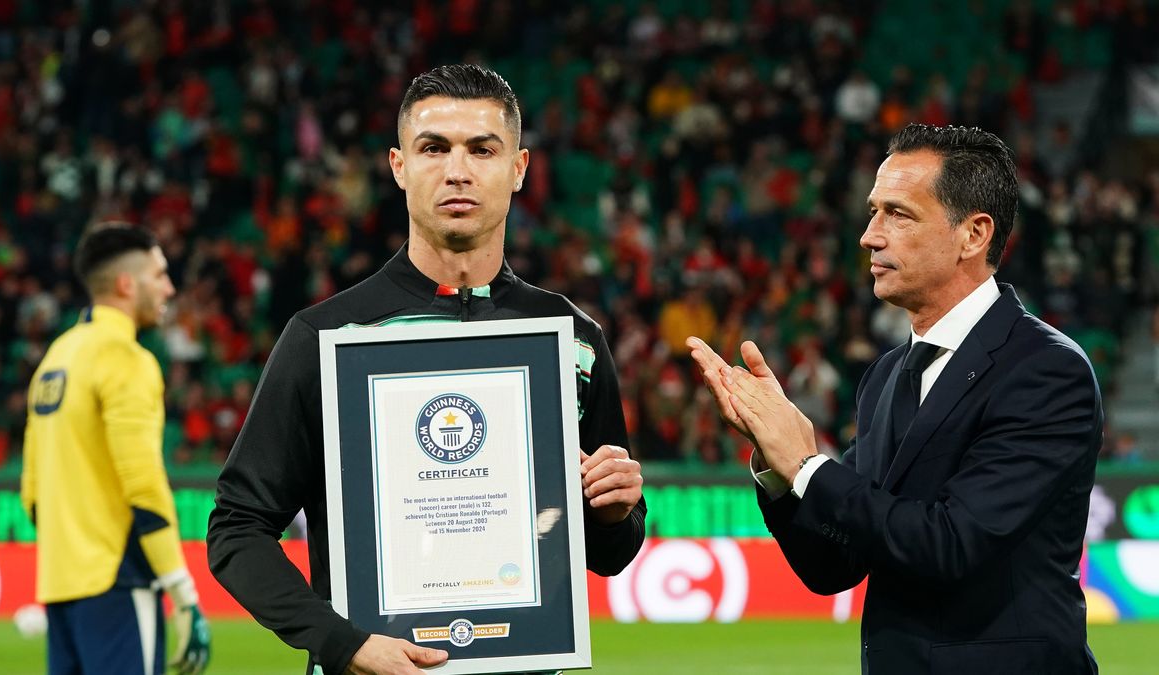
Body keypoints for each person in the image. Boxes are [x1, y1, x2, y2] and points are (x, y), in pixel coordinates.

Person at [207, 64, 646, 675]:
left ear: (518, 169)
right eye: (433, 148)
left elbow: (609, 554)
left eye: (482, 150)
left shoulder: (570, 341)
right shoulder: (327, 337)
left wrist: (615, 510)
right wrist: (342, 642)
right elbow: (237, 529)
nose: (457, 170)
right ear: (398, 167)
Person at [688, 124, 1101, 674]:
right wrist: (776, 467)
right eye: (873, 211)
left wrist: (808, 466)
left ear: (973, 235)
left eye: (898, 214)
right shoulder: (888, 375)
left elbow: (949, 544)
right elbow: (836, 564)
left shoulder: (1046, 371)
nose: (869, 235)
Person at [21, 223, 210, 675]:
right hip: (118, 580)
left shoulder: (56, 358)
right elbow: (142, 482)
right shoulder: (127, 359)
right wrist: (180, 589)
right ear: (127, 284)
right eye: (160, 274)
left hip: (60, 584)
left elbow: (32, 492)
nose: (169, 287)